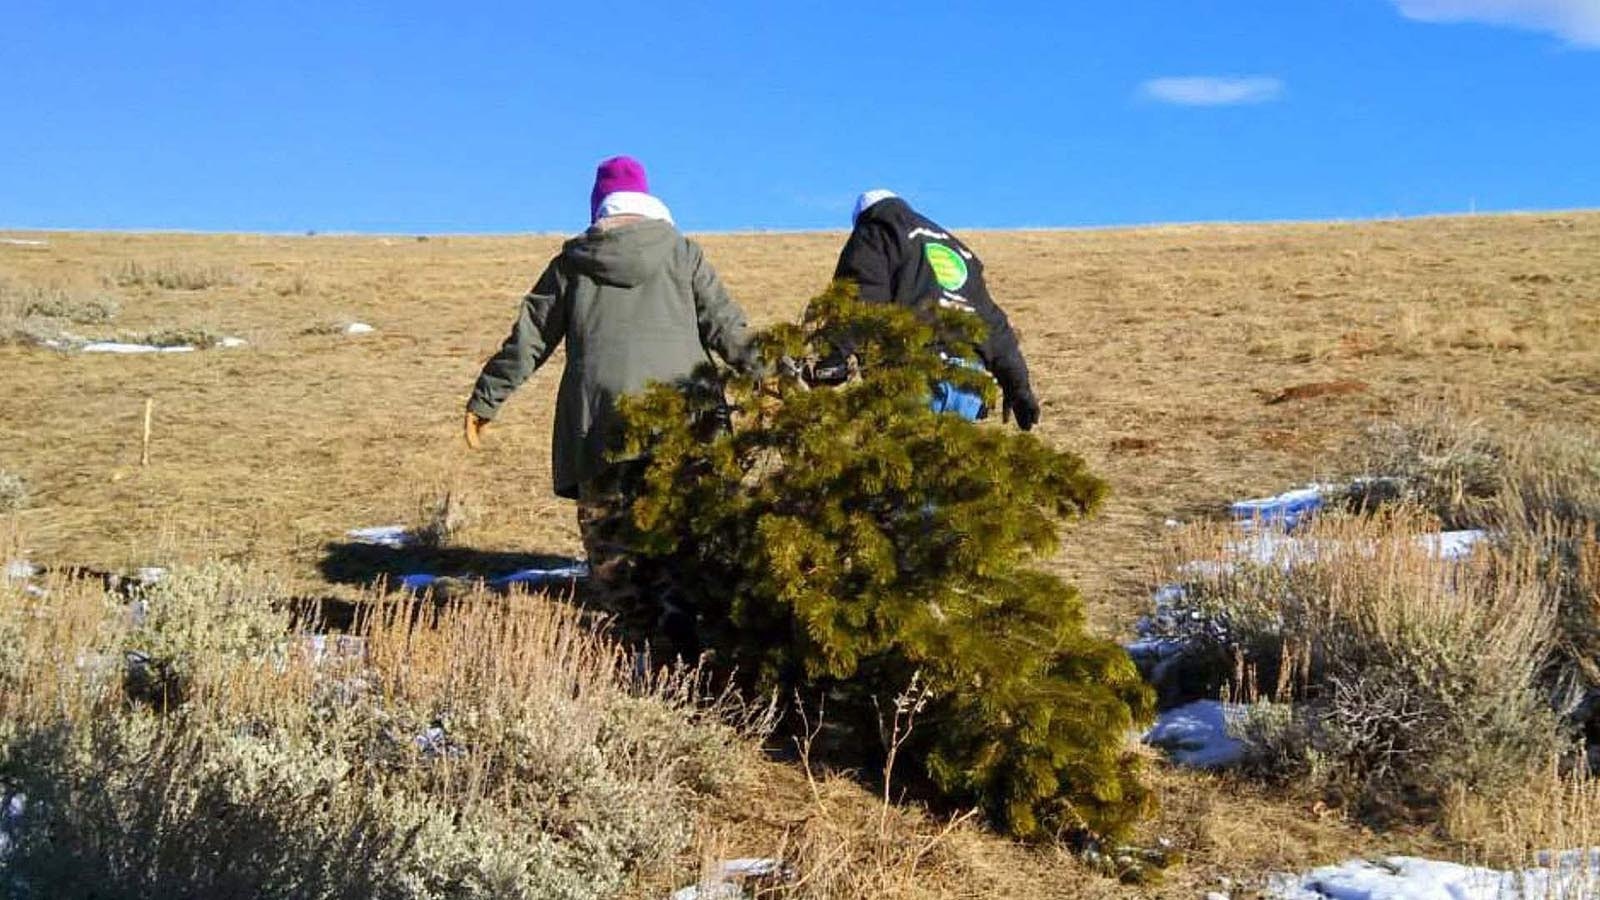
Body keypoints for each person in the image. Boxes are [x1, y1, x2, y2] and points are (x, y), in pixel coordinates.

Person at [463, 155, 758, 646]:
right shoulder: (683, 255)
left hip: (600, 429)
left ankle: (643, 658)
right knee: (692, 549)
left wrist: (485, 400)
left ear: (599, 206)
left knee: (617, 561)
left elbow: (529, 341)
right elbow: (729, 330)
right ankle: (702, 664)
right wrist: (780, 380)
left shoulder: (571, 265)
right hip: (686, 424)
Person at [832, 190, 1041, 430]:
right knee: (952, 464)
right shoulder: (957, 249)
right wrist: (1019, 387)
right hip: (969, 383)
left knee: (905, 462)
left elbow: (860, 296)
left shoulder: (876, 232)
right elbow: (992, 323)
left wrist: (835, 355)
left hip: (912, 371)